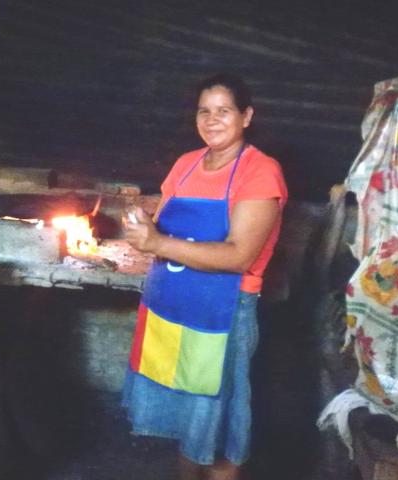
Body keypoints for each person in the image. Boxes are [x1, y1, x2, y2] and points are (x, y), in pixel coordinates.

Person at [122, 73, 288, 480]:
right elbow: (163, 229)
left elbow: (238, 256)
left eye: (224, 111)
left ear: (246, 116)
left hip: (222, 315)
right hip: (171, 307)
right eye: (204, 111)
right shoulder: (186, 164)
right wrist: (144, 226)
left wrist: (157, 242)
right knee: (188, 421)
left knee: (217, 421)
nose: (212, 120)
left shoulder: (260, 171)